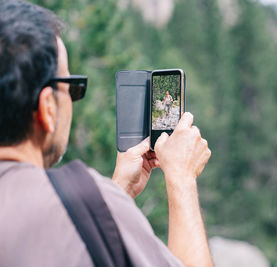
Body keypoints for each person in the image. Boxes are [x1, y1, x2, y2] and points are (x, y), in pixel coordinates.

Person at [0, 1, 213, 267]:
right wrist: (181, 178)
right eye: (73, 87)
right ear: (47, 108)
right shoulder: (84, 196)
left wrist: (116, 193)